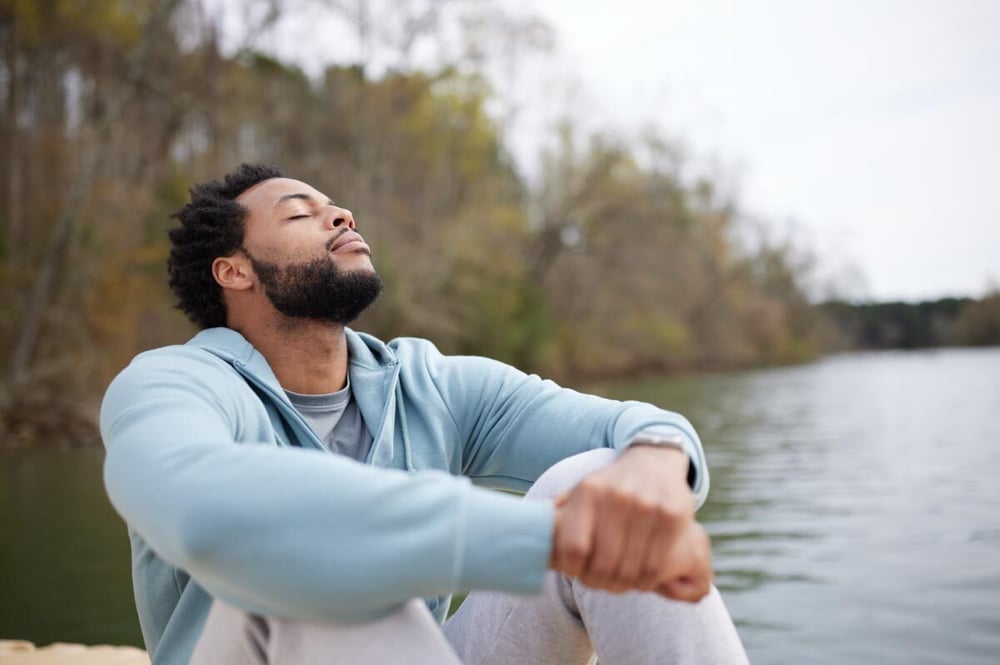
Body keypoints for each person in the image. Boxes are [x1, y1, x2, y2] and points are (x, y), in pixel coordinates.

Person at [100, 163, 749, 665]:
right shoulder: (173, 386)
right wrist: (544, 539)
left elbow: (632, 426)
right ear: (234, 271)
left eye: (336, 207)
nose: (340, 215)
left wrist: (658, 469)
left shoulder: (426, 382)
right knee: (319, 568)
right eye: (302, 213)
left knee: (600, 479)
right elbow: (207, 515)